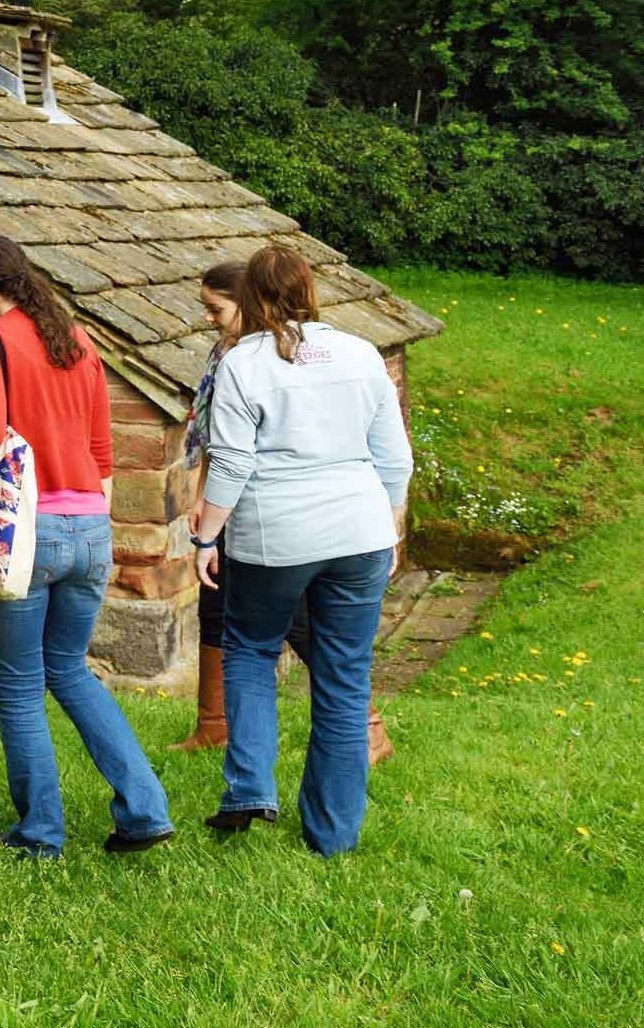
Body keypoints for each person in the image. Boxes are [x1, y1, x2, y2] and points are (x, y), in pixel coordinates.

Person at [0, 234, 173, 858]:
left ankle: (40, 833)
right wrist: (91, 524)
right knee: (67, 668)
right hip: (92, 527)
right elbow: (102, 451)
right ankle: (145, 807)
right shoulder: (78, 339)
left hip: (25, 532)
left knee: (18, 683)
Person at [188, 246, 412, 857]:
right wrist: (390, 525)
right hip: (360, 531)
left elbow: (231, 462)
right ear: (309, 291)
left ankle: (250, 789)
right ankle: (333, 836)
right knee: (343, 677)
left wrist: (206, 537)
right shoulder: (361, 353)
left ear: (254, 296)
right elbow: (395, 455)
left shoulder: (243, 363)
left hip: (276, 536)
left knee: (251, 649)